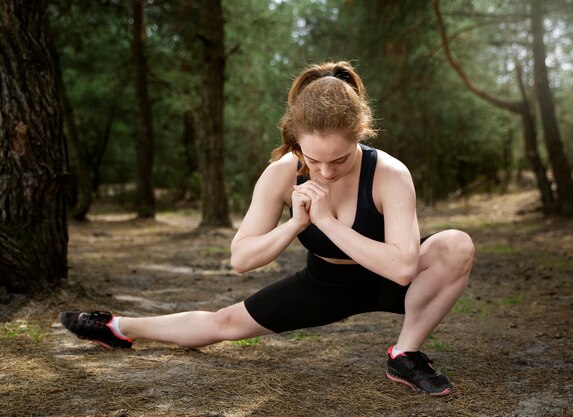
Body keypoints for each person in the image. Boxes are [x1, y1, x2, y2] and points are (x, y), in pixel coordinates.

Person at [60, 61, 474, 397]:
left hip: (391, 282)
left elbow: (403, 268)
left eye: (341, 160)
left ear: (360, 135)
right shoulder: (281, 173)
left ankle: (405, 354)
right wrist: (295, 224)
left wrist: (326, 221)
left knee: (456, 245)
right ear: (296, 141)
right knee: (223, 323)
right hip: (326, 285)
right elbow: (241, 259)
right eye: (313, 160)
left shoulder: (389, 173)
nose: (325, 173)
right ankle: (118, 327)